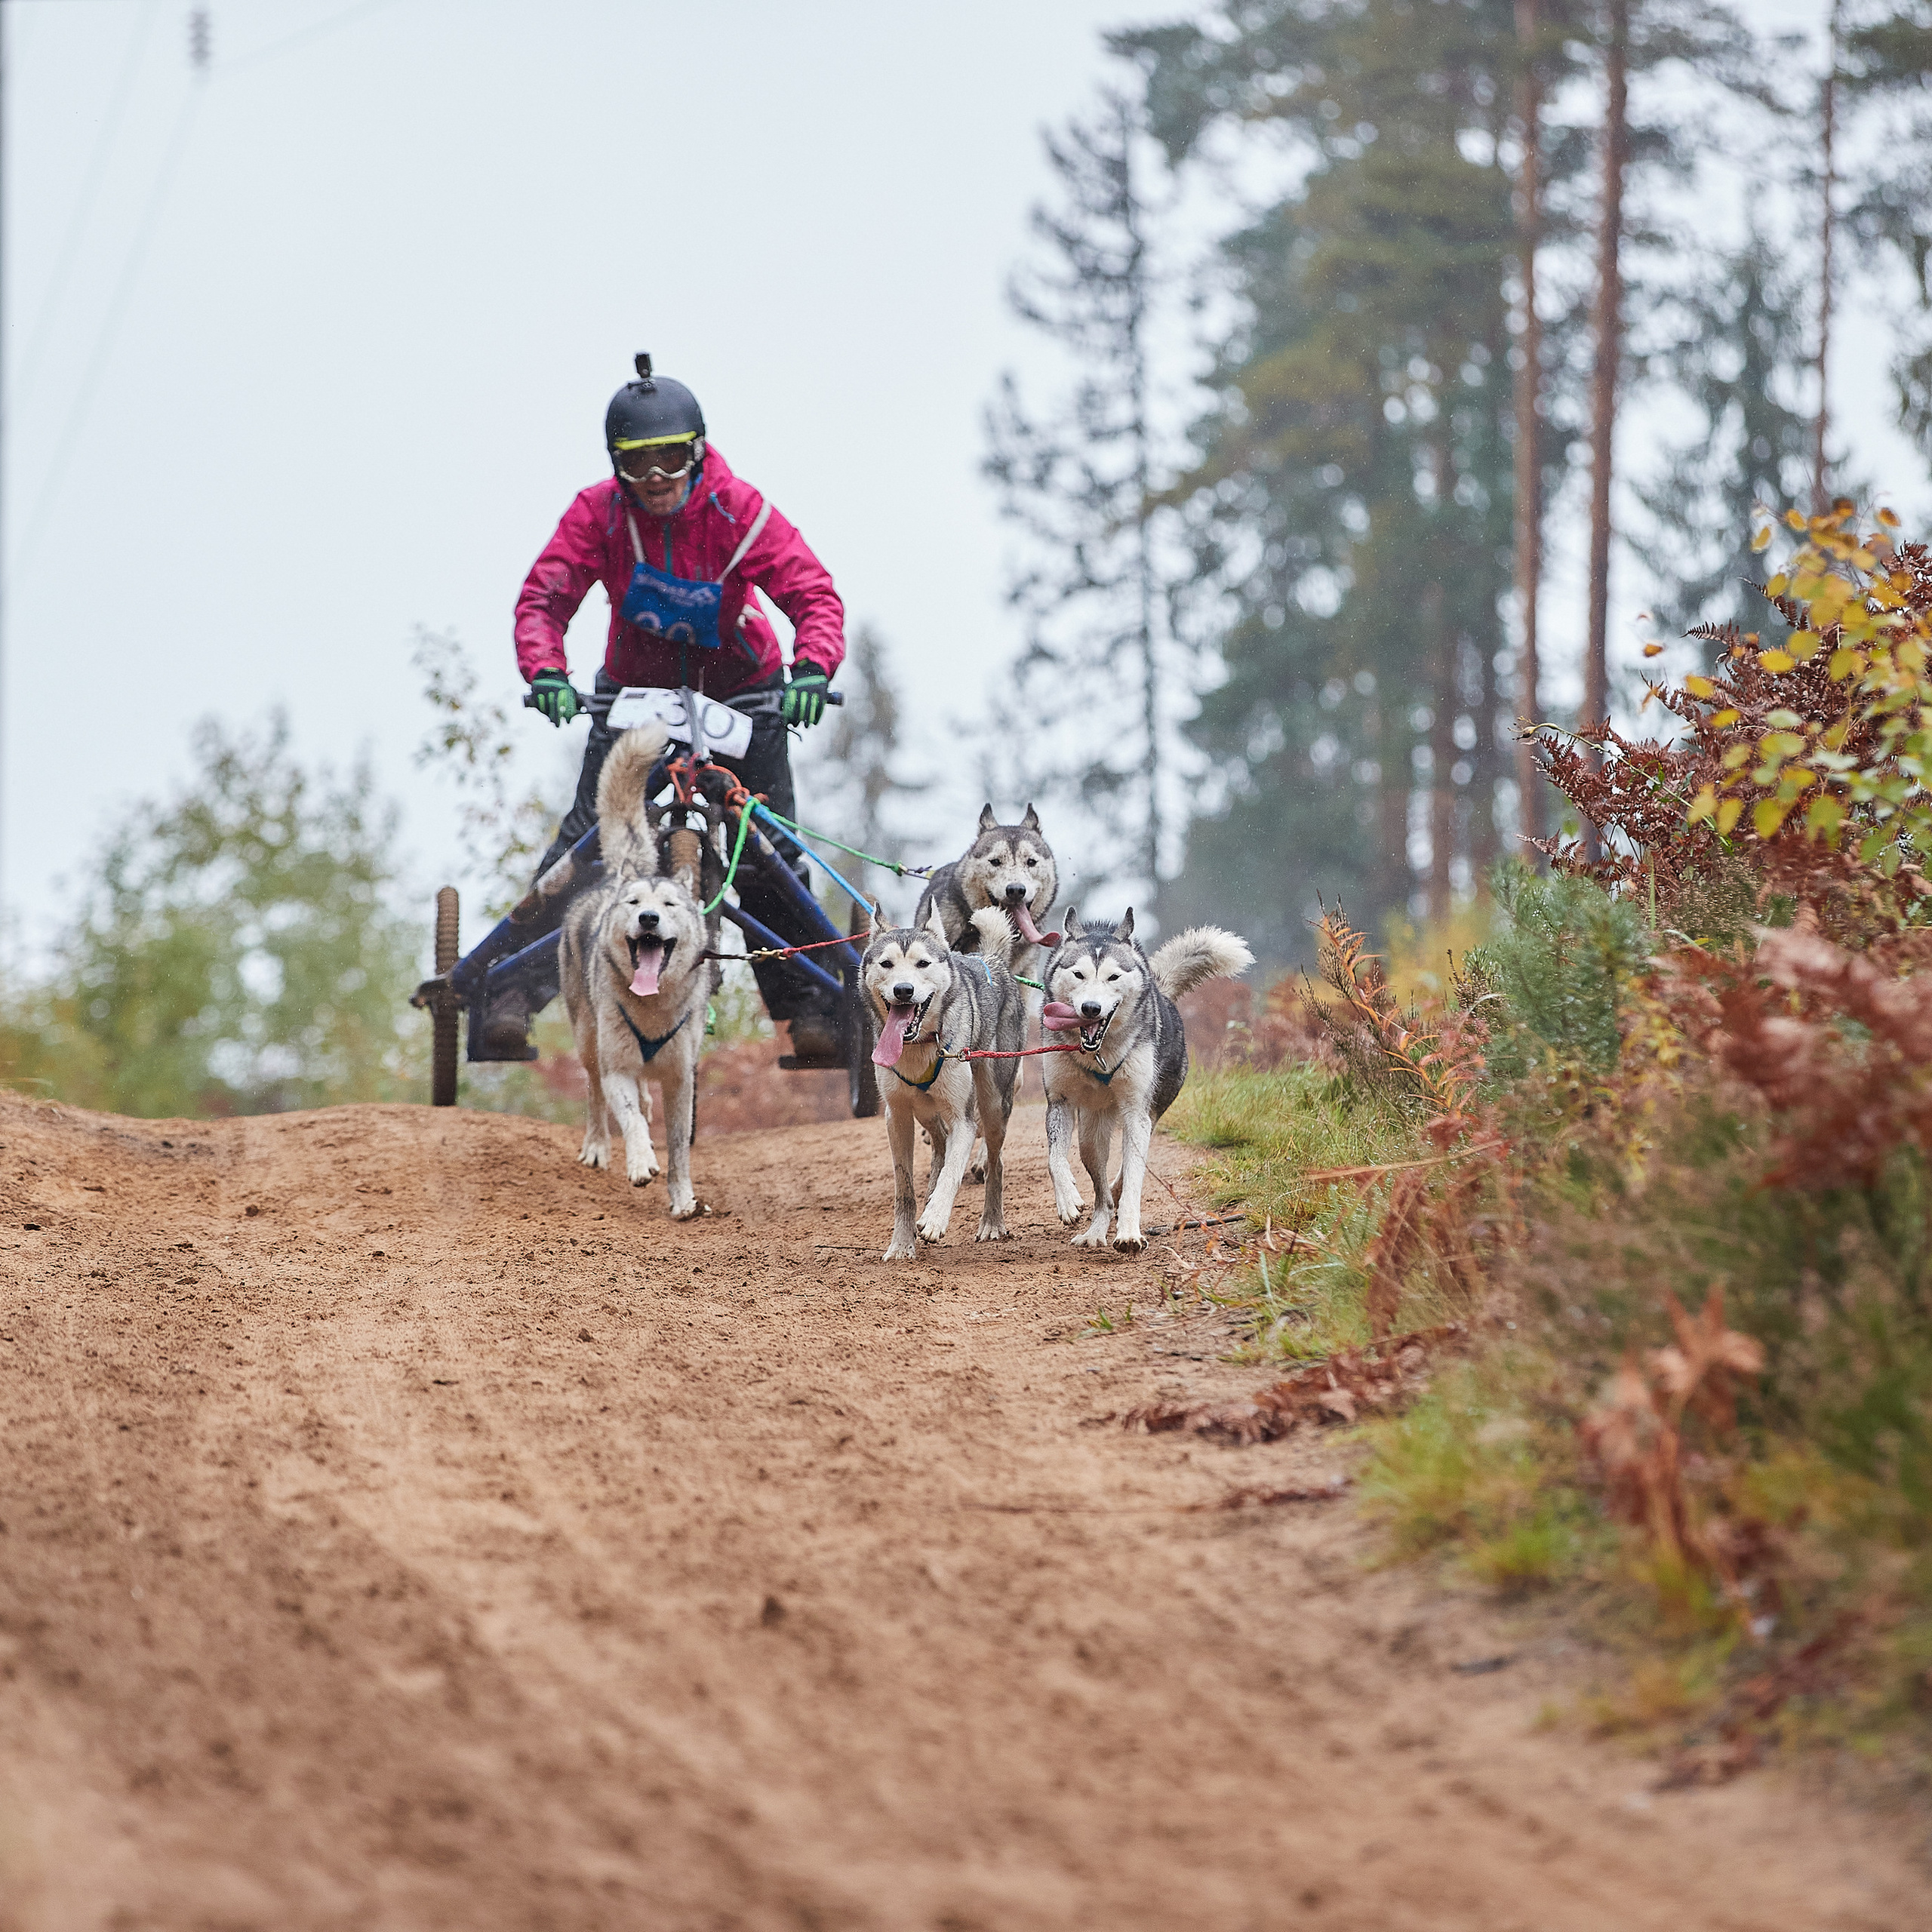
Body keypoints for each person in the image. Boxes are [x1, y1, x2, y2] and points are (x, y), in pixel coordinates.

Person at [486, 355, 846, 1060]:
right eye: (638, 463)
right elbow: (544, 599)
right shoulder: (597, 514)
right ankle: (508, 997)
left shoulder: (739, 510)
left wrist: (812, 668)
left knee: (764, 853)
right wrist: (547, 672)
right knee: (590, 844)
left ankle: (812, 1012)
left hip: (744, 690)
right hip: (632, 694)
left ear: (699, 451)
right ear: (616, 468)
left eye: (671, 459)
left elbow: (813, 595)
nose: (657, 479)